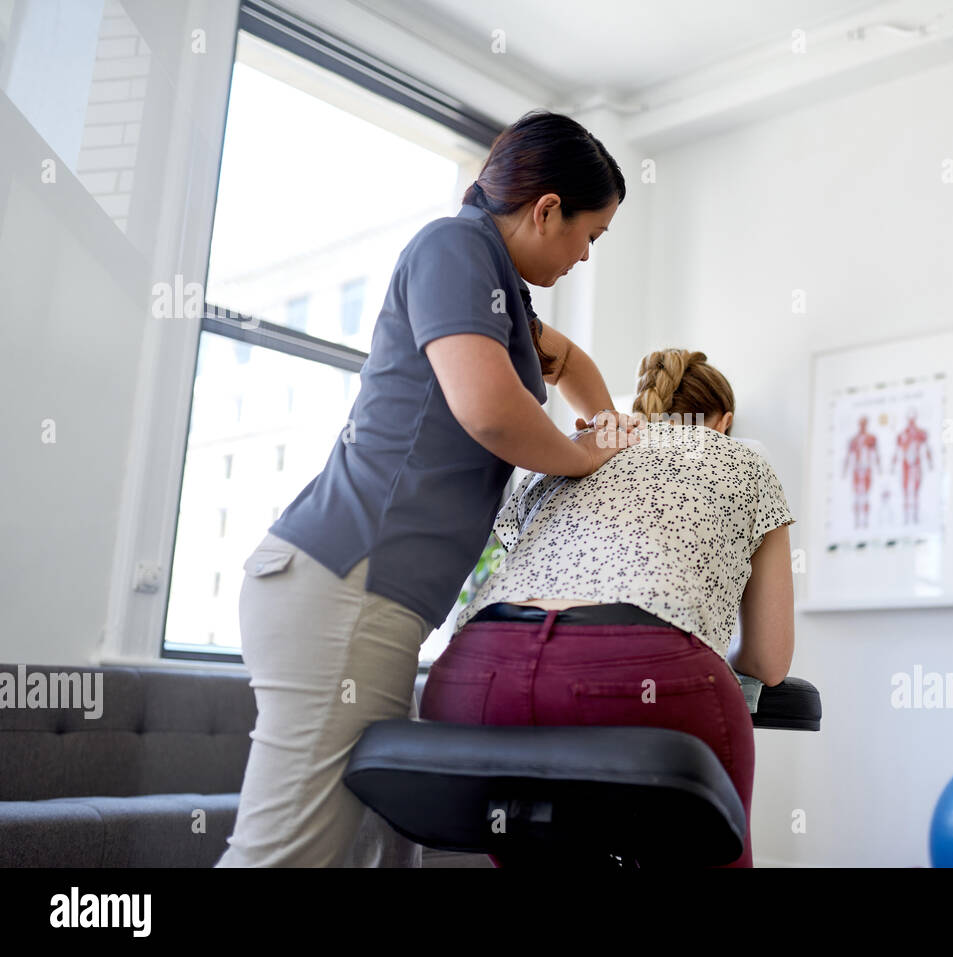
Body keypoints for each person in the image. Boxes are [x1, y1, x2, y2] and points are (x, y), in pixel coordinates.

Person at [216, 110, 645, 867]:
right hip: (346, 583)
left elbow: (567, 361)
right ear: (547, 209)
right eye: (590, 235)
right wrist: (585, 461)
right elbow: (489, 411)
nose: (585, 255)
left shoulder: (500, 292)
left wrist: (608, 430)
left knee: (379, 845)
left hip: (357, 593)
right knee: (282, 859)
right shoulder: (453, 247)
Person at [423, 348, 797, 867]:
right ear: (724, 422)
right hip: (642, 677)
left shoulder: (573, 449)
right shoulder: (744, 459)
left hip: (473, 678)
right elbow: (768, 661)